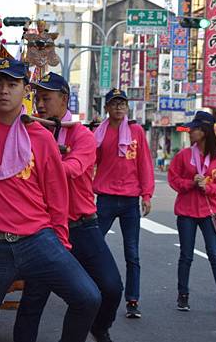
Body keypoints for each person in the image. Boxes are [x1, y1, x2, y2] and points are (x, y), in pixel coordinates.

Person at [0, 59, 101, 342]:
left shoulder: (40, 137)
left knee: (88, 298)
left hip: (37, 240)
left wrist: (60, 241)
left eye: (12, 85)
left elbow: (56, 194)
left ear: (25, 90)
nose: (4, 91)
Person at [14, 73, 122, 342]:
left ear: (64, 100)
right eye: (37, 98)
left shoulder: (82, 136)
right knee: (33, 300)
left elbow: (71, 169)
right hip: (44, 230)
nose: (40, 104)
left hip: (81, 225)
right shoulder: (29, 132)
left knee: (110, 288)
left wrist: (41, 166)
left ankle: (99, 327)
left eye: (46, 98)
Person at [93, 88, 154, 319]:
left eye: (122, 104)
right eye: (114, 104)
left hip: (130, 200)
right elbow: (89, 163)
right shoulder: (99, 133)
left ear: (127, 107)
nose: (118, 107)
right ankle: (93, 294)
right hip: (106, 198)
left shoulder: (136, 131)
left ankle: (132, 300)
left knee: (132, 253)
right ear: (107, 108)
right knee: (93, 248)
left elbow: (145, 164)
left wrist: (146, 195)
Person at [167, 111, 216, 314]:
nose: (190, 132)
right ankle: (183, 296)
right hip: (186, 212)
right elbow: (173, 178)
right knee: (186, 255)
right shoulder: (184, 155)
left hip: (209, 213)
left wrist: (209, 188)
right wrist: (190, 183)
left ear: (204, 132)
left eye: (193, 128)